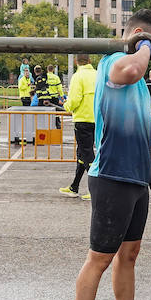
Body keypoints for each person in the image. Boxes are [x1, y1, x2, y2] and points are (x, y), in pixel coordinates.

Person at [64, 9, 151, 300]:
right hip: (111, 176)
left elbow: (139, 125)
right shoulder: (115, 62)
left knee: (129, 255)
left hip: (136, 177)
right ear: (139, 36)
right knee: (100, 258)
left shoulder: (138, 80)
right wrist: (143, 47)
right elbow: (134, 68)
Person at [60, 53, 97, 199]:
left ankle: (95, 189)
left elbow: (74, 100)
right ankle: (74, 186)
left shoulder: (78, 76)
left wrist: (66, 106)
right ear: (89, 60)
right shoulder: (97, 74)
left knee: (87, 154)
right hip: (96, 119)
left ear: (76, 61)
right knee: (82, 153)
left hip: (83, 119)